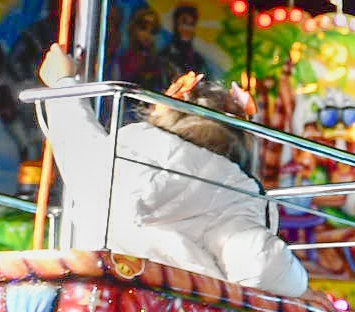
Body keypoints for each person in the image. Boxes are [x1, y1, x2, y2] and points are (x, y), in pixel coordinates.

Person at [38, 47, 308, 296]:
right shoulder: (234, 191)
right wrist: (302, 291)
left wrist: (62, 83)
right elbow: (261, 263)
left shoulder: (126, 152)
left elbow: (78, 143)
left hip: (97, 294)